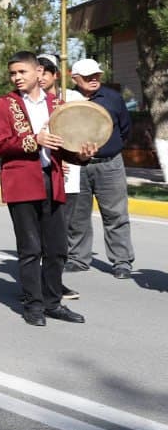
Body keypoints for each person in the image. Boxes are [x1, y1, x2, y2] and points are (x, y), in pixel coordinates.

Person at [0, 52, 95, 328]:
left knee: (57, 247)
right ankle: (33, 305)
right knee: (30, 248)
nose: (17, 78)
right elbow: (0, 144)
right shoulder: (6, 104)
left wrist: (83, 155)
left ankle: (52, 303)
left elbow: (66, 147)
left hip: (54, 179)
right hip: (22, 182)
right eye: (13, 73)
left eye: (22, 72)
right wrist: (34, 140)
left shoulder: (57, 104)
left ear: (38, 72)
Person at [64, 58, 135, 279]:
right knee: (78, 215)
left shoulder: (113, 98)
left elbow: (125, 130)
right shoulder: (66, 99)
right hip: (78, 164)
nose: (94, 79)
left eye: (96, 75)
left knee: (116, 214)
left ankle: (122, 261)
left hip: (109, 164)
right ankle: (78, 258)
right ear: (74, 79)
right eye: (87, 77)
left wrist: (108, 150)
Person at [37, 56, 81, 301]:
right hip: (44, 177)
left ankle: (55, 282)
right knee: (42, 237)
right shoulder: (30, 104)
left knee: (60, 238)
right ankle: (38, 286)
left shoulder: (66, 103)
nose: (42, 77)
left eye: (47, 72)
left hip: (68, 179)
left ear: (56, 75)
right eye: (38, 71)